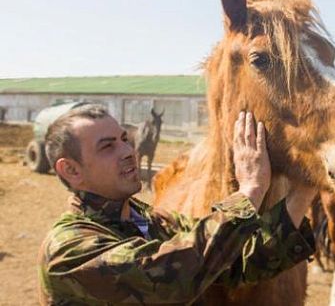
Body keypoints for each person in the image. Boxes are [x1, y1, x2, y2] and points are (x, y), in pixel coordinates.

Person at [38, 104, 317, 305]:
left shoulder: (155, 222)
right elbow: (173, 278)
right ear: (71, 170)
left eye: (125, 139)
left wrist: (303, 191)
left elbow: (236, 261)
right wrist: (251, 190)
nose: (128, 152)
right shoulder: (68, 249)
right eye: (107, 147)